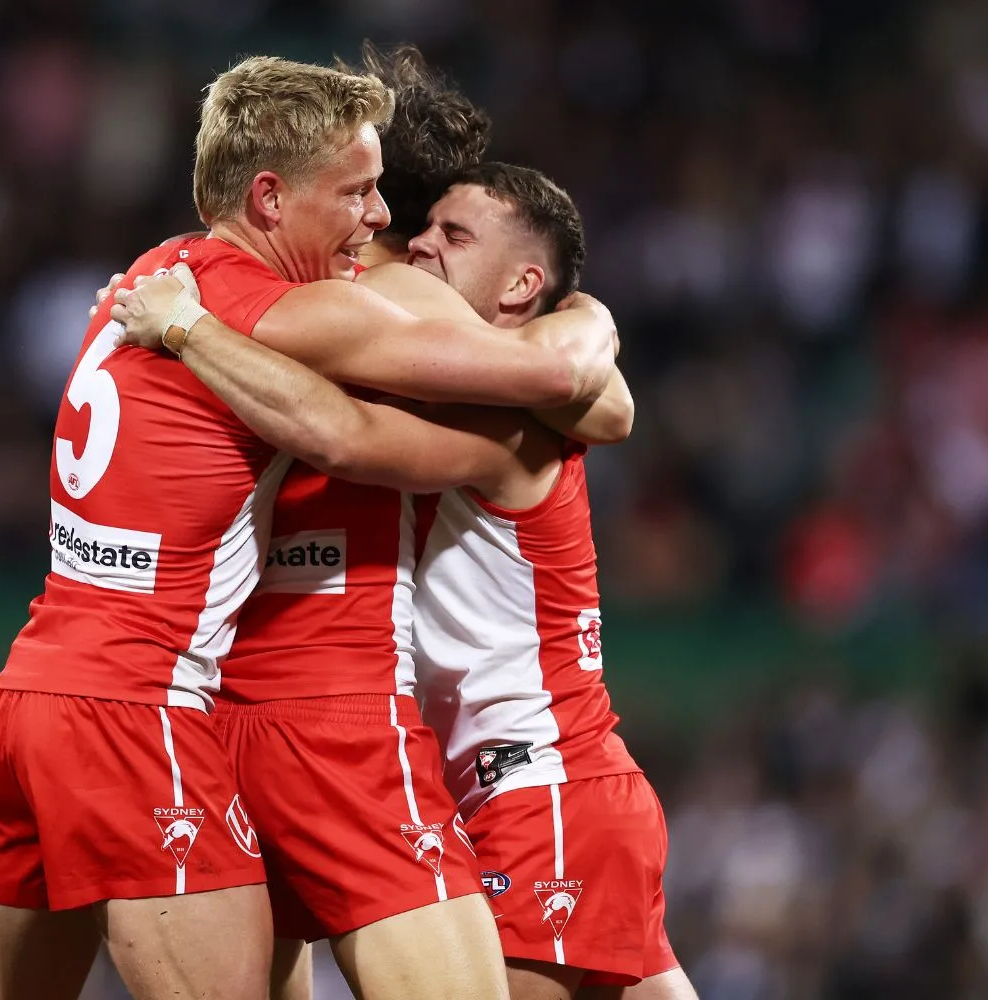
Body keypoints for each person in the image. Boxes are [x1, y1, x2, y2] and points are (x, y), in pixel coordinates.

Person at [0, 50, 621, 1000]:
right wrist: (587, 320)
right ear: (274, 197)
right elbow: (569, 397)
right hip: (204, 714)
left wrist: (187, 327)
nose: (378, 219)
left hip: (49, 694)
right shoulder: (326, 305)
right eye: (360, 193)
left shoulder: (151, 278)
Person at [110, 162, 697, 1000]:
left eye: (454, 236)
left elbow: (340, 434)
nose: (420, 242)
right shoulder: (465, 379)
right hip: (537, 788)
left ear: (524, 283)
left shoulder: (512, 416)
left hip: (536, 784)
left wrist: (191, 329)